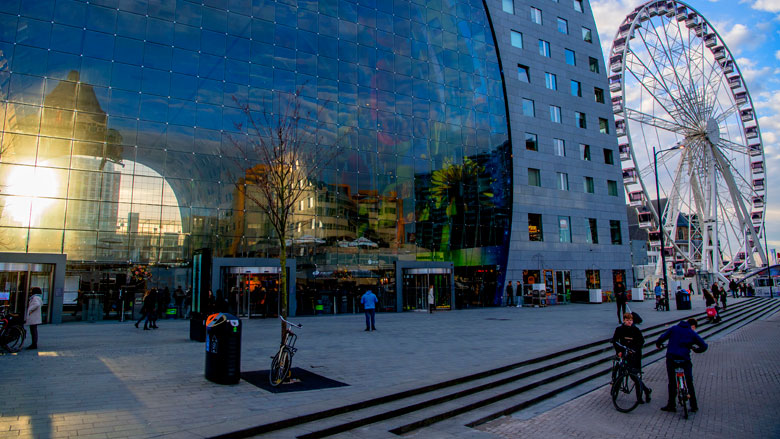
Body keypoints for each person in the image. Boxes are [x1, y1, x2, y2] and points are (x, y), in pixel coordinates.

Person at [655, 318, 707, 413]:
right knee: (689, 381)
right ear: (692, 326)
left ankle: (671, 405)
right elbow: (704, 346)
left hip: (671, 358)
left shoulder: (674, 328)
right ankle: (694, 405)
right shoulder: (691, 332)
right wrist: (696, 350)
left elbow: (662, 337)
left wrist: (658, 344)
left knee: (672, 382)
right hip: (684, 359)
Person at [611, 312, 651, 403]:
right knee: (621, 373)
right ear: (624, 320)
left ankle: (641, 395)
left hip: (634, 355)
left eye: (631, 320)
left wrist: (634, 349)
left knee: (635, 376)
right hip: (624, 354)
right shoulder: (619, 329)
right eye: (628, 320)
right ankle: (615, 390)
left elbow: (641, 342)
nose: (630, 322)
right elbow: (615, 341)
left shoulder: (636, 330)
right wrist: (619, 351)